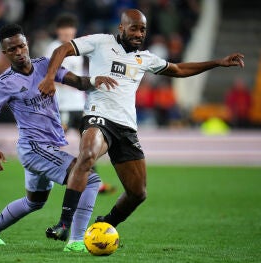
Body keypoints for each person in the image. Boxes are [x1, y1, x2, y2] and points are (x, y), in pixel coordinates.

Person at [38, 9, 244, 240]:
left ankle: (105, 225)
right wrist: (49, 78)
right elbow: (62, 49)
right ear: (121, 28)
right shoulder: (100, 42)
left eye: (142, 29)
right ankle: (64, 224)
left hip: (126, 127)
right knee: (87, 155)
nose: (138, 33)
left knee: (138, 193)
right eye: (133, 28)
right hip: (99, 116)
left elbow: (179, 69)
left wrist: (218, 62)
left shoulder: (146, 58)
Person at [0, 24, 117, 252]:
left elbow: (78, 82)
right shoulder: (4, 83)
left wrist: (94, 80)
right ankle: (76, 240)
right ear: (5, 53)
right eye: (12, 49)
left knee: (34, 201)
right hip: (33, 148)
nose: (19, 52)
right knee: (89, 179)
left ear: (27, 44)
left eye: (21, 46)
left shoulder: (45, 66)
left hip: (46, 148)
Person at [45, 13, 116, 194]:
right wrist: (72, 83)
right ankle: (47, 178)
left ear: (74, 31)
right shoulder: (53, 48)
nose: (67, 37)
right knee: (54, 143)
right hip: (62, 106)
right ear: (58, 32)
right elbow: (49, 76)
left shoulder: (76, 50)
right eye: (64, 34)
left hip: (79, 105)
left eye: (70, 34)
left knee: (88, 145)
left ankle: (94, 182)